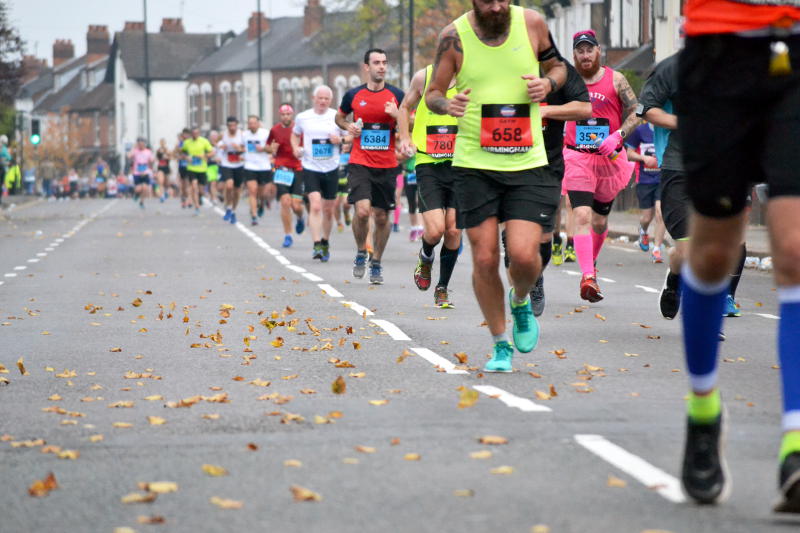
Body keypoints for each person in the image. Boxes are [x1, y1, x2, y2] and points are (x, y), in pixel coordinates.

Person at [673, 1, 800, 510]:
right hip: (718, 52)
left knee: (794, 248)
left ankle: (795, 444)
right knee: (711, 255)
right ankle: (703, 408)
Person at [426, 0, 566, 372]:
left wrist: (548, 82)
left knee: (523, 255)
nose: (497, 5)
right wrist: (447, 105)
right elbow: (433, 93)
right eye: (489, 0)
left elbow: (559, 66)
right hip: (475, 164)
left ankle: (520, 299)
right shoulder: (453, 37)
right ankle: (499, 343)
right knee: (485, 257)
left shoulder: (532, 23)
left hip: (528, 163)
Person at [562, 29, 638, 303]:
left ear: (598, 51)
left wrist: (618, 136)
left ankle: (590, 262)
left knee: (600, 219)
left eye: (589, 49)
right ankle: (588, 277)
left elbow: (637, 111)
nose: (585, 55)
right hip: (577, 157)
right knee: (581, 215)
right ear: (574, 54)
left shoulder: (616, 80)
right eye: (580, 50)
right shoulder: (566, 81)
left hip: (609, 158)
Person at [514, 57, 592, 316]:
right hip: (508, 161)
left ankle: (535, 279)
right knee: (514, 241)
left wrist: (547, 111)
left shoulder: (558, 69)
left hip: (547, 163)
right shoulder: (500, 65)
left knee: (545, 238)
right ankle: (520, 291)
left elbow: (584, 108)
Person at [336, 48, 405, 284]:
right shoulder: (353, 95)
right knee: (363, 211)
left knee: (383, 217)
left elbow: (412, 120)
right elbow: (339, 117)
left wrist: (398, 115)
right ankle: (360, 251)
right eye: (376, 63)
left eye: (385, 62)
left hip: (387, 164)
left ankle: (376, 261)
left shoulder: (397, 94)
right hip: (360, 161)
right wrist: (349, 127)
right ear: (366, 67)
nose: (382, 67)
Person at [398, 64, 464, 308]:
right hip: (429, 163)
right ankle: (426, 256)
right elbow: (404, 107)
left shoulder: (471, 78)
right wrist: (405, 138)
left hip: (460, 164)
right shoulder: (423, 78)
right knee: (436, 230)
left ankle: (442, 287)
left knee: (454, 231)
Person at [293, 87, 345, 261]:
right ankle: (316, 244)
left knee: (329, 209)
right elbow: (295, 135)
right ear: (314, 98)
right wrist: (295, 148)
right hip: (311, 167)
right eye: (320, 98)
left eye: (326, 99)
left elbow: (350, 136)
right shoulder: (303, 117)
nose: (323, 101)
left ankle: (325, 241)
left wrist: (340, 140)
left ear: (331, 100)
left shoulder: (337, 117)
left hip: (331, 167)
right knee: (315, 205)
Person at [625, 121, 666, 262]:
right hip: (644, 180)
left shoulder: (666, 130)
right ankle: (643, 231)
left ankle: (656, 249)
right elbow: (628, 153)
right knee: (646, 218)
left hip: (663, 179)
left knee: (661, 213)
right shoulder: (640, 131)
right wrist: (643, 158)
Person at [270, 104, 306, 247]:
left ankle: (300, 217)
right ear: (280, 115)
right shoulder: (274, 130)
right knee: (285, 202)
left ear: (292, 115)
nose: (286, 116)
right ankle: (288, 235)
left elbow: (306, 146)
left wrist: (300, 150)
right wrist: (272, 150)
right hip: (281, 168)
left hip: (298, 168)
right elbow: (269, 146)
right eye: (283, 114)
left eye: (288, 114)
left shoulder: (299, 129)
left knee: (296, 205)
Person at [242, 115, 274, 227]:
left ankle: (261, 205)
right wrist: (240, 149)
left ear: (258, 123)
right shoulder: (244, 135)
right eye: (249, 123)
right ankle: (254, 216)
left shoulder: (265, 133)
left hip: (264, 167)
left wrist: (263, 148)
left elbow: (272, 149)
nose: (251, 125)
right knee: (252, 191)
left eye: (254, 123)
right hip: (250, 166)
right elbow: (242, 147)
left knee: (263, 193)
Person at [181, 127, 214, 215]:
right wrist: (186, 157)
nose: (195, 135)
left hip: (202, 168)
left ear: (199, 133)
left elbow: (212, 152)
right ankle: (197, 207)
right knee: (194, 186)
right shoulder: (187, 142)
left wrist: (204, 155)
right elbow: (183, 152)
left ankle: (200, 197)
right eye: (193, 133)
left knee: (201, 190)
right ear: (191, 134)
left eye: (196, 133)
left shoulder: (204, 141)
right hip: (191, 168)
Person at [220, 116, 245, 225]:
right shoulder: (223, 134)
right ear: (227, 126)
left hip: (239, 164)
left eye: (234, 125)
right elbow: (215, 143)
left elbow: (247, 148)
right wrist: (222, 146)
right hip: (227, 163)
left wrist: (239, 149)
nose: (232, 128)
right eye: (230, 126)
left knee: (237, 190)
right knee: (229, 185)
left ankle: (233, 210)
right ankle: (228, 206)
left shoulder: (242, 135)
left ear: (237, 125)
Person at [128, 138, 154, 208]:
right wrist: (133, 147)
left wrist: (151, 166)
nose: (140, 145)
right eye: (139, 143)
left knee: (145, 188)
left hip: (145, 172)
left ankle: (141, 202)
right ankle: (136, 194)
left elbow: (152, 160)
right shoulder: (135, 151)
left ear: (144, 144)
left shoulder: (148, 151)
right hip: (137, 173)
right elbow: (128, 156)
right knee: (138, 189)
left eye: (141, 143)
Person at [334, 140, 353, 231]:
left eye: (348, 144)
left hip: (347, 183)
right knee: (336, 203)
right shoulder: (335, 155)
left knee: (347, 204)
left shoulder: (351, 156)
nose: (346, 146)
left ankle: (346, 213)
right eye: (345, 144)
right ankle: (339, 223)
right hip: (336, 183)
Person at [174, 129, 191, 207]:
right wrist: (180, 157)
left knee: (189, 184)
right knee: (183, 184)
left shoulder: (192, 143)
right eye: (185, 134)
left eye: (187, 134)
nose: (186, 136)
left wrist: (188, 157)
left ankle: (189, 200)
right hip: (182, 166)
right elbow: (174, 154)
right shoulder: (179, 144)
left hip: (190, 166)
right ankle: (184, 198)